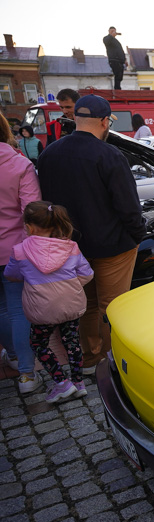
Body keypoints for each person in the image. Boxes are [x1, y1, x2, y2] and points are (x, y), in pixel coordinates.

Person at [36, 95, 146, 371]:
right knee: (114, 306)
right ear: (104, 121)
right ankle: (114, 362)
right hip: (113, 246)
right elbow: (128, 206)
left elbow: (46, 202)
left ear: (75, 119)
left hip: (71, 246)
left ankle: (90, 356)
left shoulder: (49, 154)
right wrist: (137, 235)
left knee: (86, 306)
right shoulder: (109, 154)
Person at [4, 202, 93, 403]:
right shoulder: (70, 247)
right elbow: (87, 274)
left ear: (29, 226)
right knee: (72, 342)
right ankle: (79, 383)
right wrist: (68, 286)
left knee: (38, 343)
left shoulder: (20, 250)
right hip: (71, 303)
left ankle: (62, 383)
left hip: (41, 308)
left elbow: (11, 274)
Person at [0, 111, 41, 394]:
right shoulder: (18, 164)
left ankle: (13, 356)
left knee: (2, 309)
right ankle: (27, 375)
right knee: (18, 310)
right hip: (13, 249)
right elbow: (33, 213)